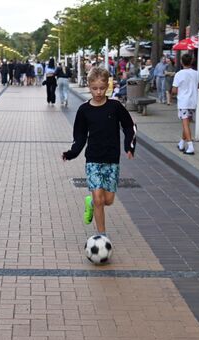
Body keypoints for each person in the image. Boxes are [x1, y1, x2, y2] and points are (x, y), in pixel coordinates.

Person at [61, 66, 136, 238]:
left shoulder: (115, 107)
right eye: (95, 88)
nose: (99, 92)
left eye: (102, 88)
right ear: (89, 86)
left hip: (112, 159)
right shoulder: (84, 110)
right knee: (99, 199)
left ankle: (91, 203)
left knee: (108, 200)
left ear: (107, 86)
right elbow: (79, 136)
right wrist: (71, 153)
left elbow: (129, 126)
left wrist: (129, 146)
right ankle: (101, 235)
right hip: (93, 159)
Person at [172, 53, 199, 156]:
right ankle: (181, 143)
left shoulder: (179, 74)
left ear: (181, 62)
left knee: (185, 124)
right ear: (191, 62)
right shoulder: (196, 73)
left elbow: (174, 90)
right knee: (187, 123)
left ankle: (190, 146)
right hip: (193, 101)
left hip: (183, 101)